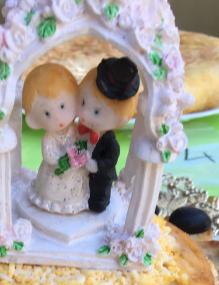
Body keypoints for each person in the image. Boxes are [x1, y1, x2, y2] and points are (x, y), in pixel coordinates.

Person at [23, 63, 90, 214]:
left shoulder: (76, 129)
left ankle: (77, 199)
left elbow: (82, 144)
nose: (59, 118)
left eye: (62, 106)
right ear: (34, 120)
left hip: (76, 172)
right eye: (47, 113)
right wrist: (63, 158)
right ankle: (54, 203)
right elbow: (49, 156)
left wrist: (79, 153)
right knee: (52, 188)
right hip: (56, 172)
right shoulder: (49, 138)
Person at [78, 57, 140, 213]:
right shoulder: (80, 129)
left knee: (97, 201)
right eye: (83, 102)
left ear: (122, 119)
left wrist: (95, 165)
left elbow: (110, 161)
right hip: (79, 178)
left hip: (99, 178)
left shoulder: (110, 143)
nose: (84, 114)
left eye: (96, 112)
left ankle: (98, 203)